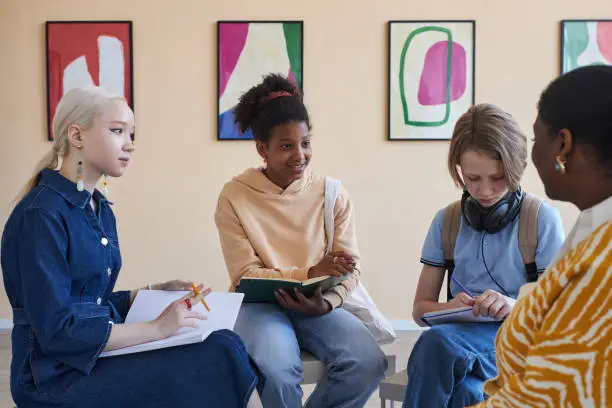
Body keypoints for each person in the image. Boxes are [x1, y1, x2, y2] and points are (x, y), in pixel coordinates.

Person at [1, 86, 262, 408]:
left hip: (87, 360)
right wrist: (156, 328)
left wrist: (149, 293)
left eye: (132, 133)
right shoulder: (40, 215)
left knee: (222, 342)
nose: (130, 144)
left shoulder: (97, 207)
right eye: (117, 131)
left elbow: (87, 302)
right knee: (216, 357)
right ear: (76, 135)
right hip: (52, 378)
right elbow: (58, 331)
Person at [214, 74, 387, 408]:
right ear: (262, 149)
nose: (300, 154)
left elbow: (350, 267)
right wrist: (308, 273)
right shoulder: (234, 196)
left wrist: (328, 301)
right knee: (278, 371)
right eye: (286, 146)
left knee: (368, 363)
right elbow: (244, 273)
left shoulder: (332, 194)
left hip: (316, 303)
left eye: (305, 143)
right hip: (260, 306)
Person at [403, 104, 565, 408]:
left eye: (498, 177)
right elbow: (419, 311)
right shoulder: (446, 221)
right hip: (461, 339)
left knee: (436, 343)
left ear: (516, 169)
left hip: (522, 344)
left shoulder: (542, 219)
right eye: (473, 178)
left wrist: (512, 306)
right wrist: (448, 307)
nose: (485, 191)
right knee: (467, 392)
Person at [471, 65, 612, 408]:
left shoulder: (601, 262)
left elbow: (556, 393)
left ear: (563, 144)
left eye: (536, 140)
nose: (533, 155)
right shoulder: (592, 227)